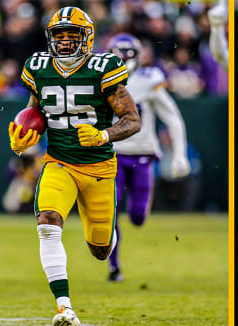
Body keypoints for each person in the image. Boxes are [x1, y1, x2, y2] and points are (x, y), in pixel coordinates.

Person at [9, 6, 140, 326]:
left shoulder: (103, 67)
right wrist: (25, 133)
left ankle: (103, 233)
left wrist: (103, 135)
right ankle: (64, 306)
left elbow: (132, 120)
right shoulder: (38, 66)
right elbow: (34, 109)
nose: (65, 42)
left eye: (72, 35)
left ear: (87, 38)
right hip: (59, 163)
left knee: (99, 250)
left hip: (98, 168)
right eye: (59, 35)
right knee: (47, 222)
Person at [104, 35, 190, 283]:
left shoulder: (149, 79)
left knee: (138, 216)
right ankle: (114, 267)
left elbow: (172, 117)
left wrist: (180, 154)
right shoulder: (99, 80)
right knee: (111, 210)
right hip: (112, 155)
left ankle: (117, 257)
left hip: (142, 154)